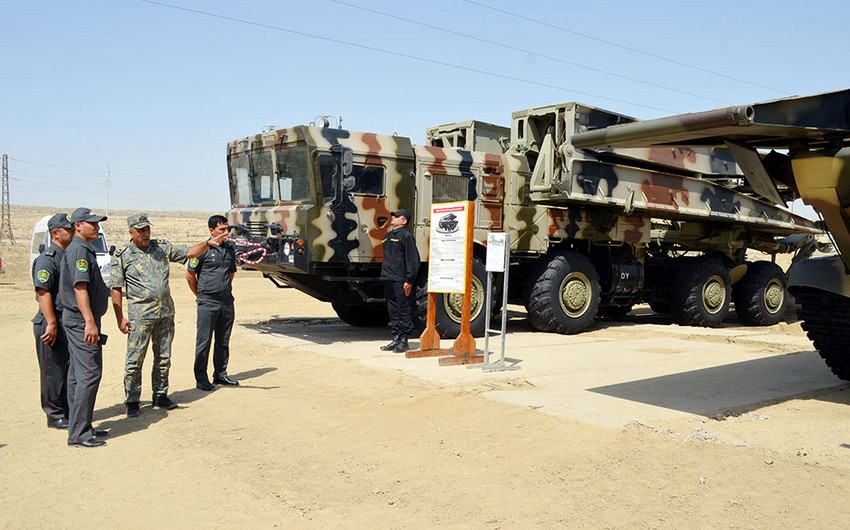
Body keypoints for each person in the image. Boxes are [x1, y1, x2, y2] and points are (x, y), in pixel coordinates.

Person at [111, 213, 228, 418]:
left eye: (147, 229)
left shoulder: (161, 248)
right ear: (131, 232)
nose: (146, 234)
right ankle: (132, 400)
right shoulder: (123, 255)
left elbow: (189, 253)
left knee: (164, 358)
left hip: (165, 313)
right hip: (140, 317)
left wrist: (208, 244)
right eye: (140, 231)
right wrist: (120, 317)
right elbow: (116, 288)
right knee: (135, 360)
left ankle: (160, 394)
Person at [60, 207, 110, 448]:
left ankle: (80, 424)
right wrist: (90, 321)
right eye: (92, 223)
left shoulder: (82, 249)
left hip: (79, 319)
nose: (97, 227)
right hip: (82, 321)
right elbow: (80, 288)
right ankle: (79, 432)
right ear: (78, 226)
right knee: (90, 374)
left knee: (77, 376)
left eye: (97, 223)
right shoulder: (79, 250)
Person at [32, 213, 74, 430]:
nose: (72, 231)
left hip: (64, 320)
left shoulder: (67, 255)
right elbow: (43, 292)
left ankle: (66, 410)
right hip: (51, 321)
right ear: (55, 233)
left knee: (66, 369)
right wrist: (51, 323)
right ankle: (54, 414)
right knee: (52, 371)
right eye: (67, 229)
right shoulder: (48, 259)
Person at [186, 215, 239, 390]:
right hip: (207, 301)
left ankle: (221, 374)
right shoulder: (202, 250)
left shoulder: (230, 249)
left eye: (227, 229)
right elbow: (190, 275)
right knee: (204, 340)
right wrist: (201, 294)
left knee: (223, 340)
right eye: (221, 230)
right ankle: (201, 378)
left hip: (226, 301)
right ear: (211, 230)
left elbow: (231, 273)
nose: (225, 233)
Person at [379, 209, 420, 353]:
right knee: (392, 309)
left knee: (403, 309)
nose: (393, 218)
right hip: (389, 277)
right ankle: (396, 337)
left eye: (397, 216)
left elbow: (412, 259)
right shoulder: (389, 235)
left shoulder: (406, 236)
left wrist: (409, 279)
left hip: (401, 279)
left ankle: (404, 340)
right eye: (393, 216)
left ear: (404, 221)